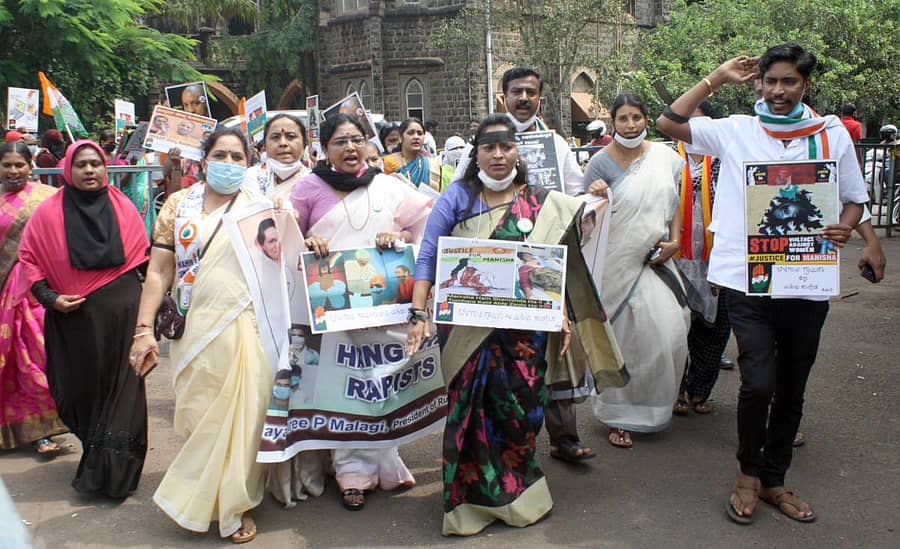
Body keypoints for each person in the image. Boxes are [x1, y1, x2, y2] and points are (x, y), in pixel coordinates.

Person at [656, 43, 869, 525]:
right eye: (769, 81)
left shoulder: (831, 134)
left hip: (806, 278)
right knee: (757, 383)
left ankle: (774, 479)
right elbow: (669, 122)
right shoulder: (736, 130)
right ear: (757, 83)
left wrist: (843, 226)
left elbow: (854, 199)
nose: (777, 91)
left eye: (788, 81)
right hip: (745, 279)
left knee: (792, 384)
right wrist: (716, 77)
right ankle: (747, 473)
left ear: (805, 85)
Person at [406, 114, 621, 536]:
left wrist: (560, 314)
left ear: (517, 151)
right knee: (469, 412)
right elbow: (429, 254)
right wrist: (417, 312)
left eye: (506, 147)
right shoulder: (457, 198)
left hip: (524, 334)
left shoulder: (541, 202)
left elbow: (552, 268)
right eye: (489, 148)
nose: (499, 155)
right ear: (476, 154)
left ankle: (518, 495)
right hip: (466, 333)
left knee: (521, 413)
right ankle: (468, 504)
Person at [128, 126, 272, 542]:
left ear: (249, 164)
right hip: (193, 328)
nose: (228, 164)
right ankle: (206, 494)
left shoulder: (260, 206)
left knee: (244, 418)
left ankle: (234, 504)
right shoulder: (179, 205)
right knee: (200, 416)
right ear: (204, 161)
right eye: (220, 155)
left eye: (237, 157)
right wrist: (143, 329)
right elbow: (159, 271)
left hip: (245, 324)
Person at [291, 113, 432, 512]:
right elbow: (283, 239)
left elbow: (421, 227)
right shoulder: (308, 187)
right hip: (334, 306)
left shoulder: (386, 185)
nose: (350, 148)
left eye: (356, 139)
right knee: (345, 385)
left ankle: (388, 463)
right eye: (340, 141)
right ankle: (351, 471)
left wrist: (398, 236)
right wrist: (307, 241)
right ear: (324, 148)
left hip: (382, 304)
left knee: (382, 382)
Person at [458, 67, 592, 461]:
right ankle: (502, 448)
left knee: (551, 348)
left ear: (540, 99)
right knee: (502, 359)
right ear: (503, 96)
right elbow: (459, 199)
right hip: (495, 267)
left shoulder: (557, 145)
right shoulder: (481, 144)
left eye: (531, 92)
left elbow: (577, 193)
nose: (524, 98)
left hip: (544, 259)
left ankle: (563, 437)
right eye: (517, 91)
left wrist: (590, 198)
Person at [18, 140, 149, 498]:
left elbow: (144, 259)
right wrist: (51, 299)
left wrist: (151, 317)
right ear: (68, 170)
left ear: (106, 168)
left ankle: (115, 474)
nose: (90, 170)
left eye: (96, 164)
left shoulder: (123, 207)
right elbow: (29, 260)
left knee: (123, 391)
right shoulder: (48, 213)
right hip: (73, 319)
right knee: (79, 392)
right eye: (81, 165)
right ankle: (97, 455)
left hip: (122, 315)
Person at [586, 93, 689, 448]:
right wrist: (595, 193)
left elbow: (673, 203)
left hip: (655, 259)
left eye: (636, 117)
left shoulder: (665, 157)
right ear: (613, 121)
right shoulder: (599, 163)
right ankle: (618, 415)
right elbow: (586, 219)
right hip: (614, 264)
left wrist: (675, 241)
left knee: (668, 333)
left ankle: (655, 407)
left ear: (646, 118)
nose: (630, 125)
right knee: (625, 340)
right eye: (623, 118)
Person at [0, 142, 66, 456]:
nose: (13, 171)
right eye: (6, 165)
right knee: (10, 361)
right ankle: (12, 429)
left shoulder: (48, 198)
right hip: (5, 292)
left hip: (38, 289)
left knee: (38, 358)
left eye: (19, 165)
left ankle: (43, 430)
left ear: (31, 166)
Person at [668, 101, 730, 416]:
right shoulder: (665, 159)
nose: (693, 131)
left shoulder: (725, 159)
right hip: (674, 255)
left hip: (716, 256)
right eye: (687, 123)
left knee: (714, 328)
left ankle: (699, 390)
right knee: (674, 327)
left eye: (700, 124)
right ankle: (675, 390)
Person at [244, 113, 311, 204]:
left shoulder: (314, 182)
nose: (283, 143)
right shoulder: (250, 178)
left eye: (291, 136)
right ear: (264, 146)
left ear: (305, 144)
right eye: (275, 137)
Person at [383, 117, 442, 192]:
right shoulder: (389, 162)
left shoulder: (433, 164)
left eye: (420, 133)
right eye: (410, 133)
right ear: (400, 137)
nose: (416, 137)